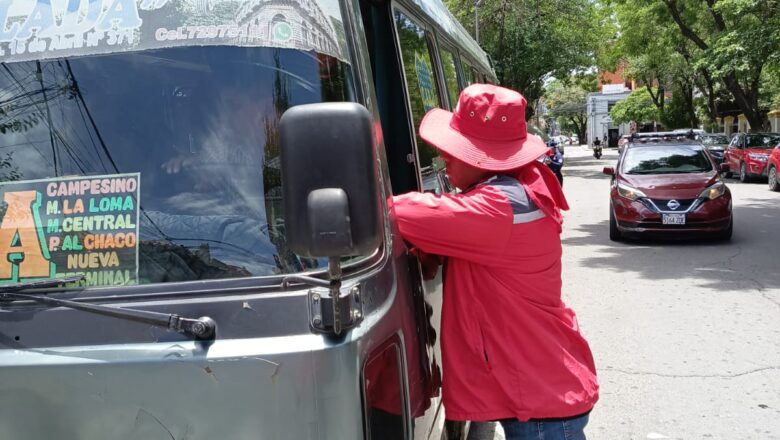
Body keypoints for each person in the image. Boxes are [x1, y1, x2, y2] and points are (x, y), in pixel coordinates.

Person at [392, 84, 598, 440]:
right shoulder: (520, 191)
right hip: (540, 388)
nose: (444, 159)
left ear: (482, 158)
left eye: (455, 151)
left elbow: (396, 213)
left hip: (540, 407)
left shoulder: (497, 210)